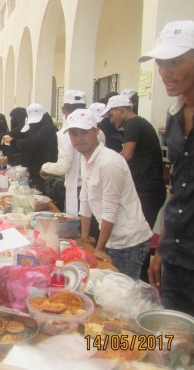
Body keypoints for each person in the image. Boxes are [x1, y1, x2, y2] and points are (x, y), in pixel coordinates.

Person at [140, 20, 194, 370]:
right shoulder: (173, 116)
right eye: (161, 62)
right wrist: (162, 246)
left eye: (175, 61)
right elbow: (177, 189)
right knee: (175, 357)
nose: (165, 72)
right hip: (176, 259)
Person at [67, 109, 152, 279]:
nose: (79, 138)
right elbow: (85, 198)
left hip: (128, 241)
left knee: (123, 290)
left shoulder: (109, 162)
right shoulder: (85, 159)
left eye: (84, 132)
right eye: (73, 133)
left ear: (96, 132)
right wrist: (84, 237)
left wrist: (99, 248)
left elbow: (110, 208)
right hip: (112, 237)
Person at [100, 94, 166, 230]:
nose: (111, 120)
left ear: (121, 110)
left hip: (147, 190)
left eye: (111, 115)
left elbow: (126, 155)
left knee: (140, 233)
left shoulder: (133, 124)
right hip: (147, 189)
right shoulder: (137, 123)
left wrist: (104, 163)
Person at [40, 90, 88, 215]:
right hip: (95, 188)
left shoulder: (65, 133)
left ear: (63, 110)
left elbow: (64, 166)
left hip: (78, 190)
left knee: (78, 224)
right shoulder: (97, 130)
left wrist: (45, 167)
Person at [2, 103, 58, 193]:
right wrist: (10, 157)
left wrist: (13, 141)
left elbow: (32, 144)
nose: (33, 126)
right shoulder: (40, 130)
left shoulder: (48, 129)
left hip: (47, 176)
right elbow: (30, 152)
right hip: (38, 174)